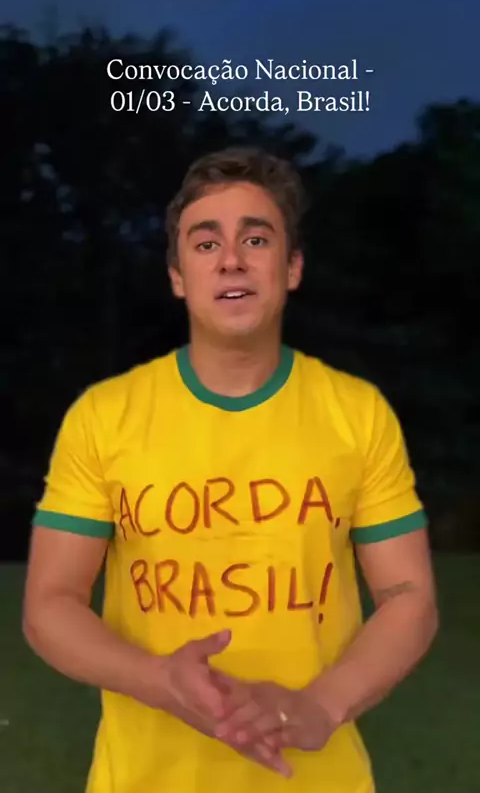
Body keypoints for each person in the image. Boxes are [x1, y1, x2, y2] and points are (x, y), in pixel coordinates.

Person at [23, 146, 438, 793]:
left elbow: (409, 596)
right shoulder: (104, 416)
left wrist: (321, 705)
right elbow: (49, 604)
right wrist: (159, 679)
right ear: (178, 276)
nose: (232, 259)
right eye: (206, 242)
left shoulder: (357, 414)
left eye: (257, 238)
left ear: (292, 268)